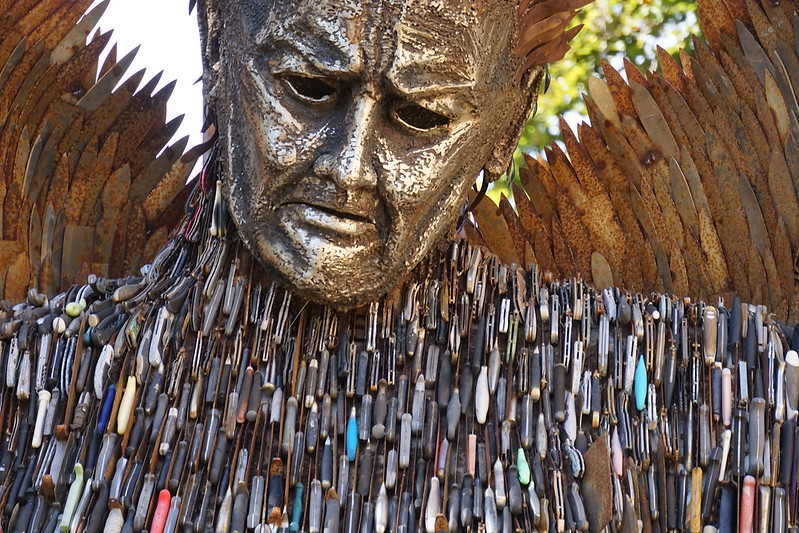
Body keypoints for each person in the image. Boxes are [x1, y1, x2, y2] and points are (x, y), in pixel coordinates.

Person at [0, 1, 797, 532]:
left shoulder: (695, 395)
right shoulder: (24, 386)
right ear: (216, 39)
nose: (348, 169)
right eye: (307, 88)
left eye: (419, 116)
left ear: (507, 118)